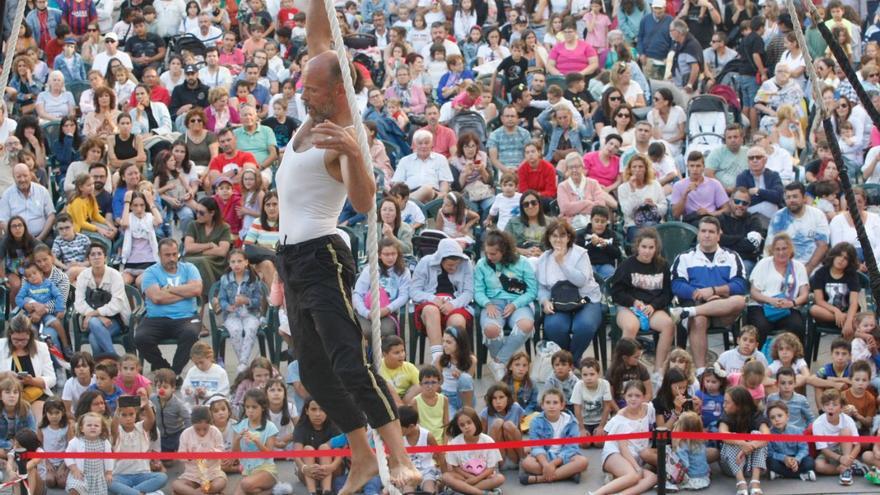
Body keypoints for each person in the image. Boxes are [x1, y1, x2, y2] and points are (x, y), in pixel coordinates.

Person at [273, 3, 421, 492]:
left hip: (322, 255)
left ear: (338, 91)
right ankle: (361, 455)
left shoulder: (344, 134)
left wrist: (358, 155)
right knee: (313, 371)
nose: (302, 93)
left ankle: (395, 455)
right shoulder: (316, 102)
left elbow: (362, 201)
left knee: (348, 362)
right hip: (292, 259)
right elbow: (319, 41)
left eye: (310, 89)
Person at [670, 216, 748, 369]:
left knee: (740, 300)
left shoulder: (732, 256)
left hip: (723, 309)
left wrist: (714, 291)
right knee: (699, 320)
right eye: (703, 231)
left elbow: (740, 284)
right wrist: (699, 293)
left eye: (711, 232)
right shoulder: (685, 257)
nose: (707, 235)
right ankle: (700, 371)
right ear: (698, 234)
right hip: (697, 303)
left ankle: (687, 312)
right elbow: (676, 285)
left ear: (719, 235)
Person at [535, 219, 603, 363]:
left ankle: (569, 362)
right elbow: (542, 287)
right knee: (554, 327)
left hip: (585, 299)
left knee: (585, 326)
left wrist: (561, 262)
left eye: (562, 235)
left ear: (569, 237)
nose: (558, 239)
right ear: (549, 238)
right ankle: (572, 361)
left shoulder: (580, 254)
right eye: (554, 236)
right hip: (559, 301)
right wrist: (545, 301)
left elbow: (580, 281)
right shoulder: (543, 259)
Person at [610, 228, 675, 371]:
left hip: (652, 309)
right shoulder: (627, 265)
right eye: (644, 247)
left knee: (668, 325)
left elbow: (667, 293)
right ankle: (622, 369)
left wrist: (653, 305)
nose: (647, 251)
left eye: (651, 247)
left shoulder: (662, 266)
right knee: (631, 326)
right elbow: (616, 292)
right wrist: (633, 302)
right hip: (629, 308)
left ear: (656, 248)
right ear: (637, 247)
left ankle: (659, 369)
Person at [135, 238, 201, 374]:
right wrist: (185, 292)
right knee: (141, 338)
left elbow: (196, 290)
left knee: (191, 334)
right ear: (159, 255)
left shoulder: (189, 268)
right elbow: (157, 298)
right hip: (156, 318)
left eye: (174, 254)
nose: (172, 258)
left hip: (186, 317)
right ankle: (164, 369)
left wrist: (169, 289)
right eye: (167, 255)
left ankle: (174, 374)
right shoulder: (150, 272)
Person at [747, 233, 809, 344]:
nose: (781, 252)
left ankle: (795, 359)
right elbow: (753, 292)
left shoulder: (799, 267)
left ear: (790, 249)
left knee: (797, 326)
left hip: (787, 307)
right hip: (762, 305)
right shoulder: (764, 263)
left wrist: (792, 303)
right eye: (777, 249)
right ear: (773, 250)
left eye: (784, 249)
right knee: (761, 326)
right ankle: (758, 359)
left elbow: (804, 294)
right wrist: (770, 300)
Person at [0, 314, 56, 421]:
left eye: (24, 340)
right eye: (16, 340)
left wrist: (32, 381)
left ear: (30, 335)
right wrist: (5, 375)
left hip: (33, 394)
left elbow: (52, 379)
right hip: (5, 395)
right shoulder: (1, 346)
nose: (20, 343)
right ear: (10, 334)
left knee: (39, 417)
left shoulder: (41, 347)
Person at [765, 182, 830, 274]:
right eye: (788, 197)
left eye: (795, 196)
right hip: (782, 267)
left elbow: (822, 246)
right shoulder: (778, 217)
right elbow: (770, 246)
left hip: (812, 267)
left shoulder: (818, 215)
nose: (791, 200)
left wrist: (808, 268)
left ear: (804, 198)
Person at [183, 197, 232, 296]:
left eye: (201, 213)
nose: (197, 215)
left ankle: (208, 296)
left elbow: (222, 252)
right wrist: (209, 245)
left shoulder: (224, 227)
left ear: (212, 213)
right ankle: (210, 297)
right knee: (199, 262)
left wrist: (198, 250)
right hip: (193, 260)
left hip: (217, 263)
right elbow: (188, 247)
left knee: (202, 262)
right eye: (196, 211)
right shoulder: (193, 225)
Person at [391, 129, 453, 203]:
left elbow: (444, 182)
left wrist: (443, 194)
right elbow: (397, 183)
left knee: (427, 189)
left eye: (427, 143)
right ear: (414, 145)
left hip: (432, 195)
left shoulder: (440, 159)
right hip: (409, 192)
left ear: (432, 144)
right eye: (420, 143)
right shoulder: (405, 161)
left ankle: (401, 203)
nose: (423, 146)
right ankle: (403, 201)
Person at [0, 163, 55, 241]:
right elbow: (3, 221)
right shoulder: (7, 195)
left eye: (25, 176)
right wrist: (15, 237)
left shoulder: (42, 191)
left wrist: (40, 238)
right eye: (18, 177)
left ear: (30, 175)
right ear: (14, 177)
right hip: (16, 239)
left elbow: (51, 216)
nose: (22, 180)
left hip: (42, 237)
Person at [671, 152, 729, 225]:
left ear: (703, 167)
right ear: (687, 167)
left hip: (712, 219)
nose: (695, 169)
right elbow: (675, 214)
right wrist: (685, 193)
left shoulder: (714, 184)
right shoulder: (678, 185)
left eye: (698, 166)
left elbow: (727, 209)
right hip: (692, 220)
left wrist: (710, 214)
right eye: (692, 166)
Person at [719, 188, 767, 275]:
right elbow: (717, 240)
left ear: (749, 205)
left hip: (745, 260)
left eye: (744, 203)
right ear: (730, 201)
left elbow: (751, 245)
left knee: (741, 270)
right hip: (722, 258)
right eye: (737, 201)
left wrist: (726, 239)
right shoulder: (721, 219)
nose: (740, 205)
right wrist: (743, 238)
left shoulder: (754, 220)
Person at [734, 145, 784, 223]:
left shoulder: (774, 175)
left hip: (773, 217)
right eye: (751, 158)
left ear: (765, 160)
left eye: (758, 157)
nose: (754, 160)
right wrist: (768, 196)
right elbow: (742, 201)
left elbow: (778, 197)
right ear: (748, 161)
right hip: (751, 216)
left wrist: (758, 191)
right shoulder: (742, 177)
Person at [487, 105, 533, 175]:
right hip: (502, 171)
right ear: (502, 118)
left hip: (522, 169)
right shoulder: (494, 135)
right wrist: (506, 170)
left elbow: (529, 155)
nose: (510, 119)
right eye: (507, 116)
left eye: (512, 116)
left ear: (517, 118)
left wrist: (518, 169)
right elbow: (493, 159)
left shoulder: (525, 134)